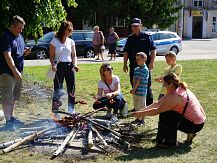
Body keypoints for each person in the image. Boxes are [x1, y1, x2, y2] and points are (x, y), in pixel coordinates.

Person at [132, 73, 206, 147]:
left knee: (166, 114)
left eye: (165, 84)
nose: (164, 86)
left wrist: (140, 113)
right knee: (168, 112)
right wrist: (141, 111)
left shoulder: (175, 96)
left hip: (195, 125)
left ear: (171, 84)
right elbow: (157, 103)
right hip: (198, 122)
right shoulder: (178, 88)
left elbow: (157, 110)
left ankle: (168, 142)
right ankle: (188, 134)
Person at [0, 15, 31, 130]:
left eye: (22, 28)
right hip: (7, 72)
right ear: (12, 26)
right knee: (7, 96)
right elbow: (8, 56)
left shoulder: (19, 36)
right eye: (19, 28)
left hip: (18, 71)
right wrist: (15, 71)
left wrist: (25, 52)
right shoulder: (5, 37)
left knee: (14, 97)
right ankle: (8, 121)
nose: (21, 30)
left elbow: (18, 53)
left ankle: (12, 118)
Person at [123, 18, 156, 107]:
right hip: (134, 65)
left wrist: (152, 63)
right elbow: (126, 52)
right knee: (133, 83)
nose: (135, 28)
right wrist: (125, 64)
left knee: (146, 84)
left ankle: (148, 105)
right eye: (133, 26)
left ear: (141, 26)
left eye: (136, 26)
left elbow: (153, 50)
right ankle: (137, 105)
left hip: (145, 65)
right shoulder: (130, 38)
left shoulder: (147, 37)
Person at [49, 20, 79, 115]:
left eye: (71, 30)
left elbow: (74, 55)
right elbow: (51, 56)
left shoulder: (71, 41)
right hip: (59, 67)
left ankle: (71, 109)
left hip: (70, 66)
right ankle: (56, 110)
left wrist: (75, 65)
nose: (70, 32)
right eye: (68, 30)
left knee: (72, 88)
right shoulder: (54, 41)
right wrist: (53, 65)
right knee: (58, 88)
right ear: (63, 30)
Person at [130, 52, 149, 126]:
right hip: (135, 90)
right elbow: (134, 79)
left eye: (139, 59)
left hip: (141, 91)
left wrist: (134, 89)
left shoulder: (145, 69)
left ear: (144, 59)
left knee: (142, 106)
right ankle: (138, 118)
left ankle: (142, 120)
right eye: (136, 59)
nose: (137, 61)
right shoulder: (136, 69)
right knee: (137, 105)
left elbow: (139, 80)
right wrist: (134, 88)